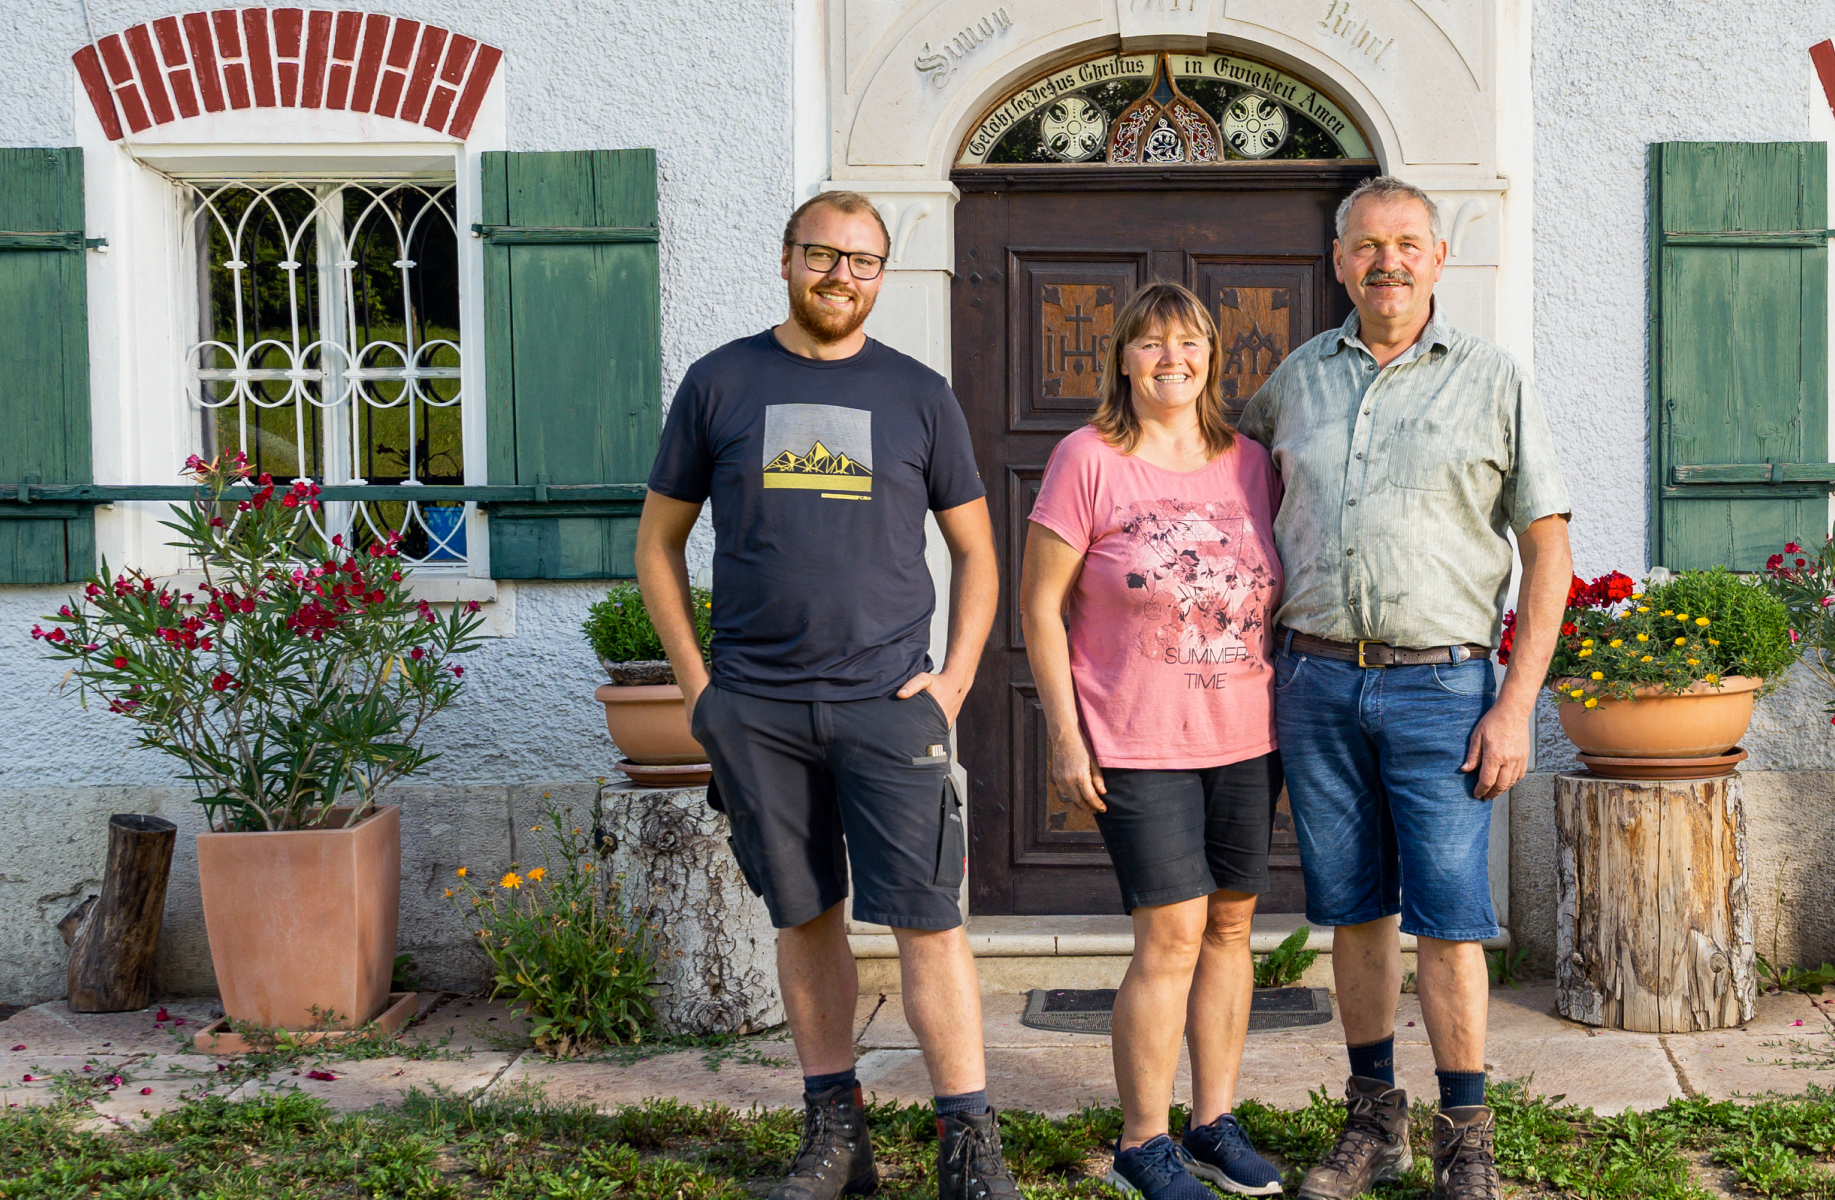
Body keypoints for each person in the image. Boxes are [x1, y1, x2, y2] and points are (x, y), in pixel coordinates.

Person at [636, 191, 1019, 1200]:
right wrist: (700, 692)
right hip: (757, 709)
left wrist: (954, 681)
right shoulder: (720, 382)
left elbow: (979, 552)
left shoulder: (919, 394)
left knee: (929, 921)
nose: (842, 276)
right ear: (786, 259)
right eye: (823, 255)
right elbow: (657, 545)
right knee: (805, 918)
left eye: (863, 261)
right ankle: (836, 1137)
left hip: (888, 706)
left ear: (881, 275)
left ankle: (968, 1147)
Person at [1236, 177, 1574, 1200]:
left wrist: (1515, 705)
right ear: (1340, 261)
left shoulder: (1494, 380)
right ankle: (1373, 1122)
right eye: (1368, 245)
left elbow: (1548, 555)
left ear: (1438, 258)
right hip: (1315, 683)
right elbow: (1233, 523)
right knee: (1354, 912)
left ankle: (1466, 1139)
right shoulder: (1292, 383)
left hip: (1445, 692)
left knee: (1450, 917)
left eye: (1408, 244)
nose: (1388, 262)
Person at [1020, 282, 1289, 1200]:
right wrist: (1065, 735)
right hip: (1135, 741)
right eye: (1151, 343)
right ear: (1124, 359)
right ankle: (1144, 1140)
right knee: (1171, 933)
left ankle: (1212, 1122)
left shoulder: (1252, 464)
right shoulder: (1087, 458)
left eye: (1190, 342)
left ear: (1212, 357)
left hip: (1244, 734)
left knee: (1231, 927)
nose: (1172, 359)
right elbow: (1040, 607)